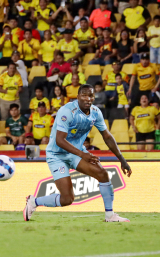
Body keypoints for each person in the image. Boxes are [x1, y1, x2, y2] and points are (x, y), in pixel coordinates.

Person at [23, 84, 132, 222]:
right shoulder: (67, 111)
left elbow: (107, 137)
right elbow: (60, 140)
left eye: (91, 95)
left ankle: (110, 215)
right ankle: (34, 202)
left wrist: (122, 159)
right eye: (84, 95)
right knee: (67, 199)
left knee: (102, 174)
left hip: (76, 153)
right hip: (57, 154)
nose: (88, 98)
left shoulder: (95, 112)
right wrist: (83, 154)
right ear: (78, 96)